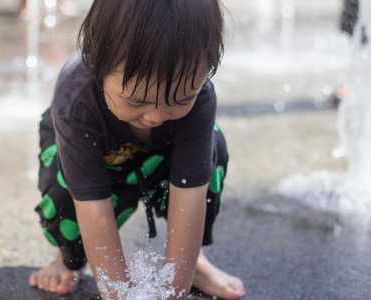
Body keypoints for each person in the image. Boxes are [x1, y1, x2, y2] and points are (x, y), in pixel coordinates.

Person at [28, 0, 245, 299]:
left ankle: (194, 263)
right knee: (65, 183)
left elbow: (189, 196)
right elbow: (95, 210)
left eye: (180, 99)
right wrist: (118, 293)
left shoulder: (201, 95)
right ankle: (70, 259)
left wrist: (174, 290)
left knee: (212, 149)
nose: (156, 117)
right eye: (136, 101)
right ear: (96, 66)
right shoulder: (77, 98)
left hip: (157, 159)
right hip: (92, 161)